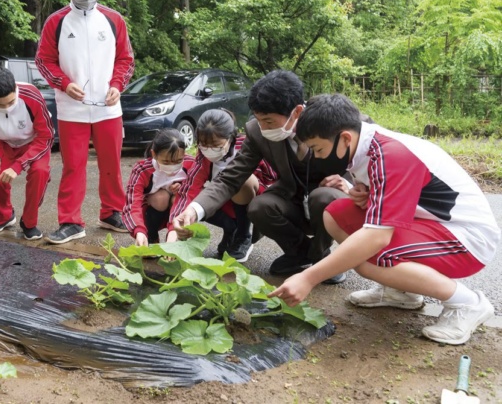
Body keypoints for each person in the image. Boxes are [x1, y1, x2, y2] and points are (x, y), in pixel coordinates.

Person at [270, 94, 500, 345]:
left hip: (466, 238)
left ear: (344, 137)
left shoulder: (391, 154)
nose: (319, 158)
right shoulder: (364, 145)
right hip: (430, 223)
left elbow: (377, 236)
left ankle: (468, 303)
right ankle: (402, 291)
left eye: (319, 149)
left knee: (368, 259)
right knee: (336, 213)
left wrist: (308, 277)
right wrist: (365, 193)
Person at [172, 70, 349, 283]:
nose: (263, 128)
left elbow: (362, 155)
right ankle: (300, 253)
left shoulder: (331, 121)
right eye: (258, 120)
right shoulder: (257, 132)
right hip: (291, 199)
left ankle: (323, 258)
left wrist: (348, 182)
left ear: (297, 112)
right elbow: (230, 177)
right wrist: (193, 210)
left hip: (329, 200)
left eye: (269, 122)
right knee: (259, 207)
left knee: (324, 197)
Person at [36, 0, 135, 244]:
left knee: (111, 163)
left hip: (108, 107)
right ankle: (70, 221)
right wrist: (64, 84)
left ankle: (112, 212)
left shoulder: (113, 19)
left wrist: (117, 85)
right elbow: (44, 61)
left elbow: (126, 59)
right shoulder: (56, 22)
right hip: (71, 108)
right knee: (73, 165)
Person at [169, 109, 277, 262]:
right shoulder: (203, 156)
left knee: (242, 180)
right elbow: (190, 188)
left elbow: (272, 177)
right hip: (226, 202)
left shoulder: (248, 146)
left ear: (230, 138)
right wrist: (174, 229)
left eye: (216, 145)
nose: (209, 150)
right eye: (203, 145)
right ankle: (231, 230)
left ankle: (244, 235)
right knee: (189, 201)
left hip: (254, 200)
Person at [0, 65, 55, 239]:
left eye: (11, 102)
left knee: (39, 173)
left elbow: (46, 136)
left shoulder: (32, 95)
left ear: (15, 89)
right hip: (4, 144)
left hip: (34, 143)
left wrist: (18, 165)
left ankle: (29, 222)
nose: (6, 108)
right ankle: (4, 216)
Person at [123, 129, 194, 245]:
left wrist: (183, 186)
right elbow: (132, 203)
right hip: (151, 212)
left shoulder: (191, 164)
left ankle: (177, 238)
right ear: (154, 154)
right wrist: (139, 230)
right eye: (166, 162)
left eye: (178, 161)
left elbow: (195, 193)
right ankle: (150, 235)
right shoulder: (142, 169)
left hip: (179, 210)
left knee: (178, 196)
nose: (172, 166)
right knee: (161, 197)